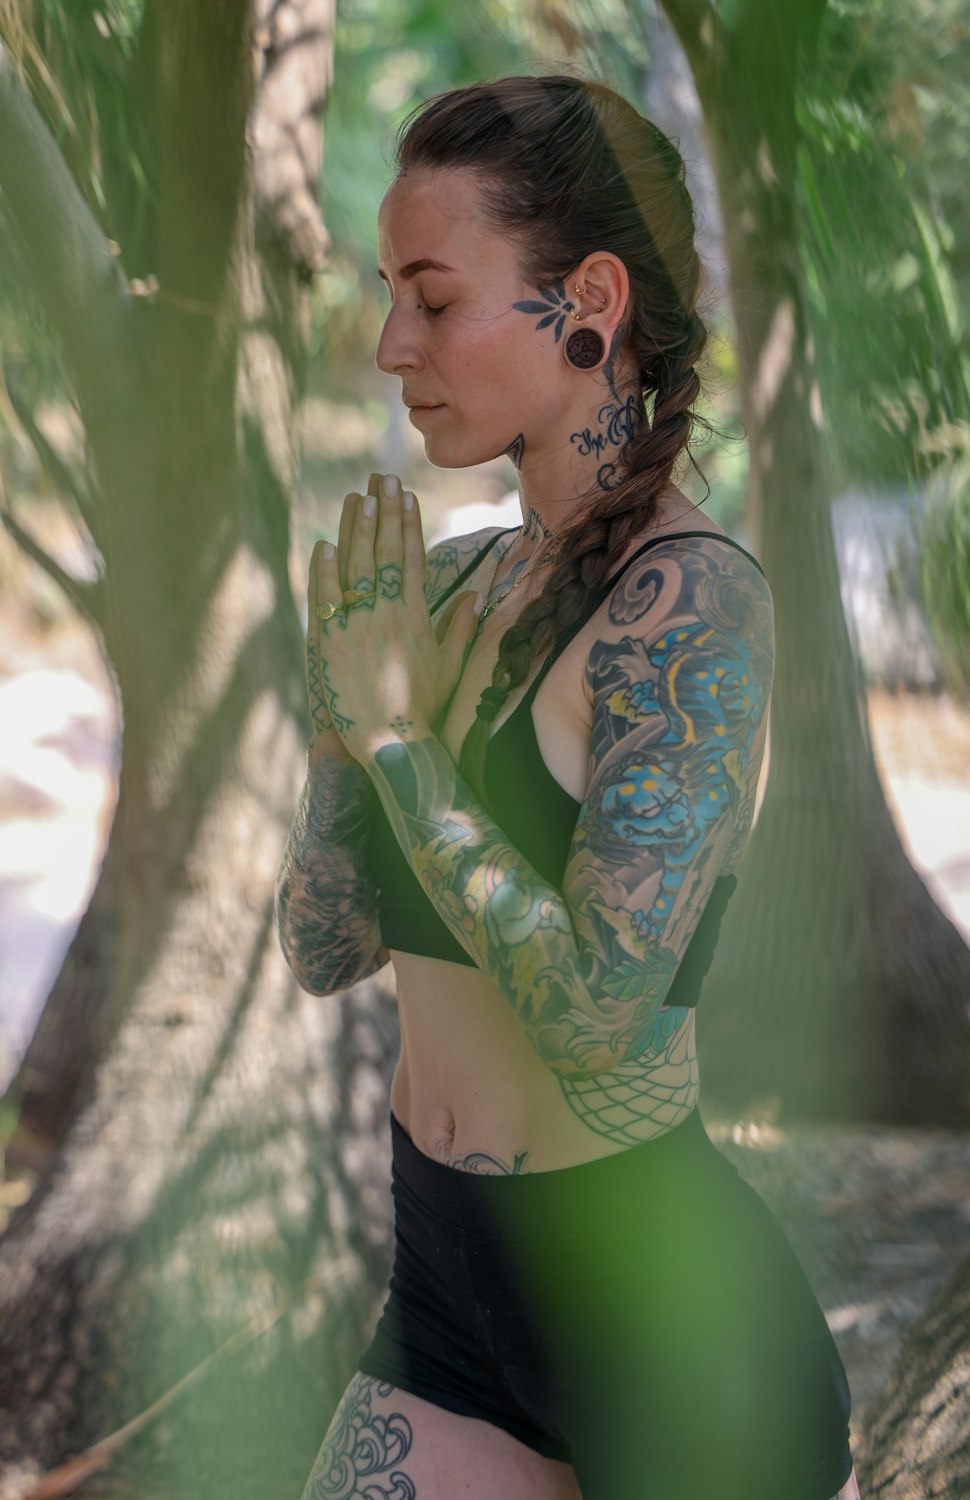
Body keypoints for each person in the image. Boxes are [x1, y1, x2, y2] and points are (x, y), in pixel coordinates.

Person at [276, 74, 860, 1500]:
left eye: (432, 295)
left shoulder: (690, 609)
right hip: (447, 1287)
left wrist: (407, 744)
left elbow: (604, 1016)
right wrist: (343, 727)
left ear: (586, 301)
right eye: (384, 293)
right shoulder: (458, 582)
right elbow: (322, 945)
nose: (388, 343)